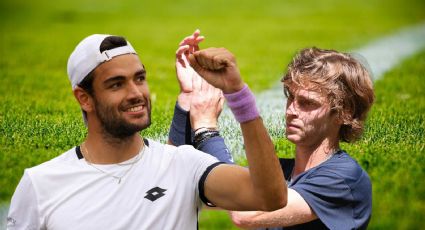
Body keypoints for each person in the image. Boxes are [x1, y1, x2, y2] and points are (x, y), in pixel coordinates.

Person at [6, 32, 287, 229]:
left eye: (139, 79)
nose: (136, 93)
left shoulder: (184, 165)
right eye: (116, 84)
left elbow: (270, 197)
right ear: (84, 98)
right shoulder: (41, 184)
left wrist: (237, 93)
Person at [170, 32, 374, 229]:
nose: (292, 110)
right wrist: (187, 99)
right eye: (290, 97)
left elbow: (246, 214)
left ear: (344, 113)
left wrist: (207, 130)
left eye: (307, 103)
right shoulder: (278, 172)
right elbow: (175, 184)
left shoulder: (345, 179)